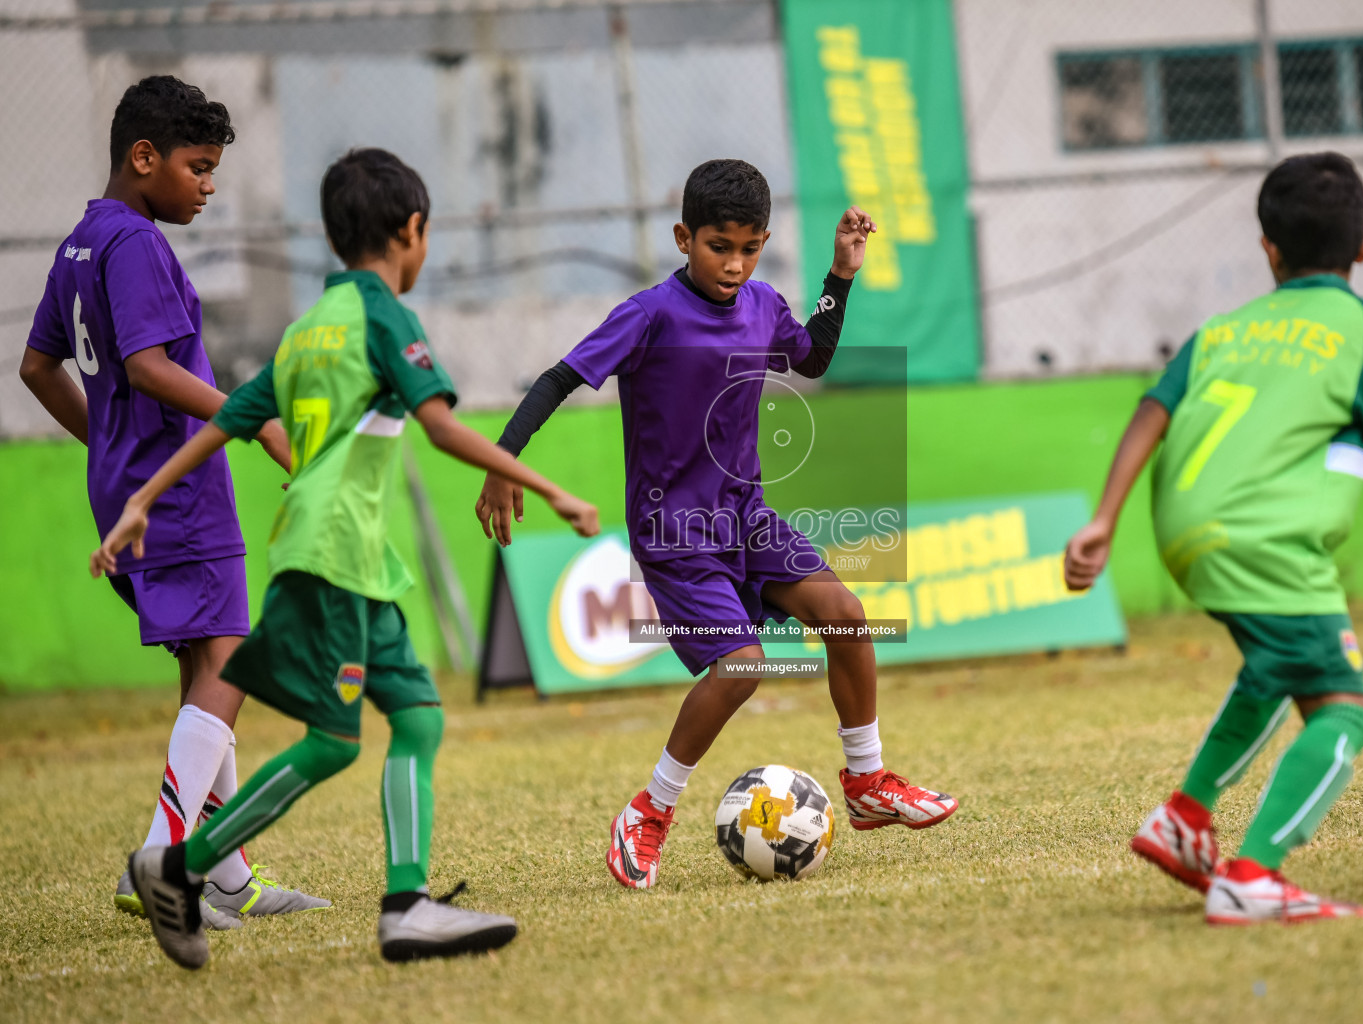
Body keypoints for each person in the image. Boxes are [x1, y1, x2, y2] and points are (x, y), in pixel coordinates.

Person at [92, 147, 600, 969]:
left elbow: (225, 423)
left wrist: (142, 500)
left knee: (419, 717)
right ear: (413, 231)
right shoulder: (387, 317)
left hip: (356, 563)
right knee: (332, 740)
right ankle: (175, 868)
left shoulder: (307, 329)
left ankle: (406, 907)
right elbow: (440, 425)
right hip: (332, 558)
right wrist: (548, 488)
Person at [475, 158, 958, 891]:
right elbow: (558, 379)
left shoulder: (763, 303)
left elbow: (814, 358)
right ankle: (649, 811)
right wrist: (503, 461)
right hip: (675, 529)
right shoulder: (648, 315)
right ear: (683, 238)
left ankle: (866, 782)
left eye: (750, 247)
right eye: (718, 246)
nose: (734, 264)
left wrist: (841, 276)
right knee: (742, 669)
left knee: (846, 614)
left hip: (748, 515)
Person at [1063, 152, 1363, 925]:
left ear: (1268, 249)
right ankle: (1253, 876)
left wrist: (1104, 518)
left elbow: (1154, 407)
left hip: (1183, 528)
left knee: (1275, 666)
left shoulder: (1224, 328)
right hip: (1265, 539)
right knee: (1345, 711)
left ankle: (1185, 818)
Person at [18, 74, 326, 927]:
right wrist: (252, 419)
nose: (209, 185)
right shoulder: (136, 247)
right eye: (197, 166)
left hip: (128, 490)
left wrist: (109, 447)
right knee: (230, 661)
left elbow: (37, 368)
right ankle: (161, 856)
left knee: (203, 671)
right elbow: (154, 367)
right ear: (143, 157)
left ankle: (225, 876)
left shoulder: (81, 242)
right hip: (181, 497)